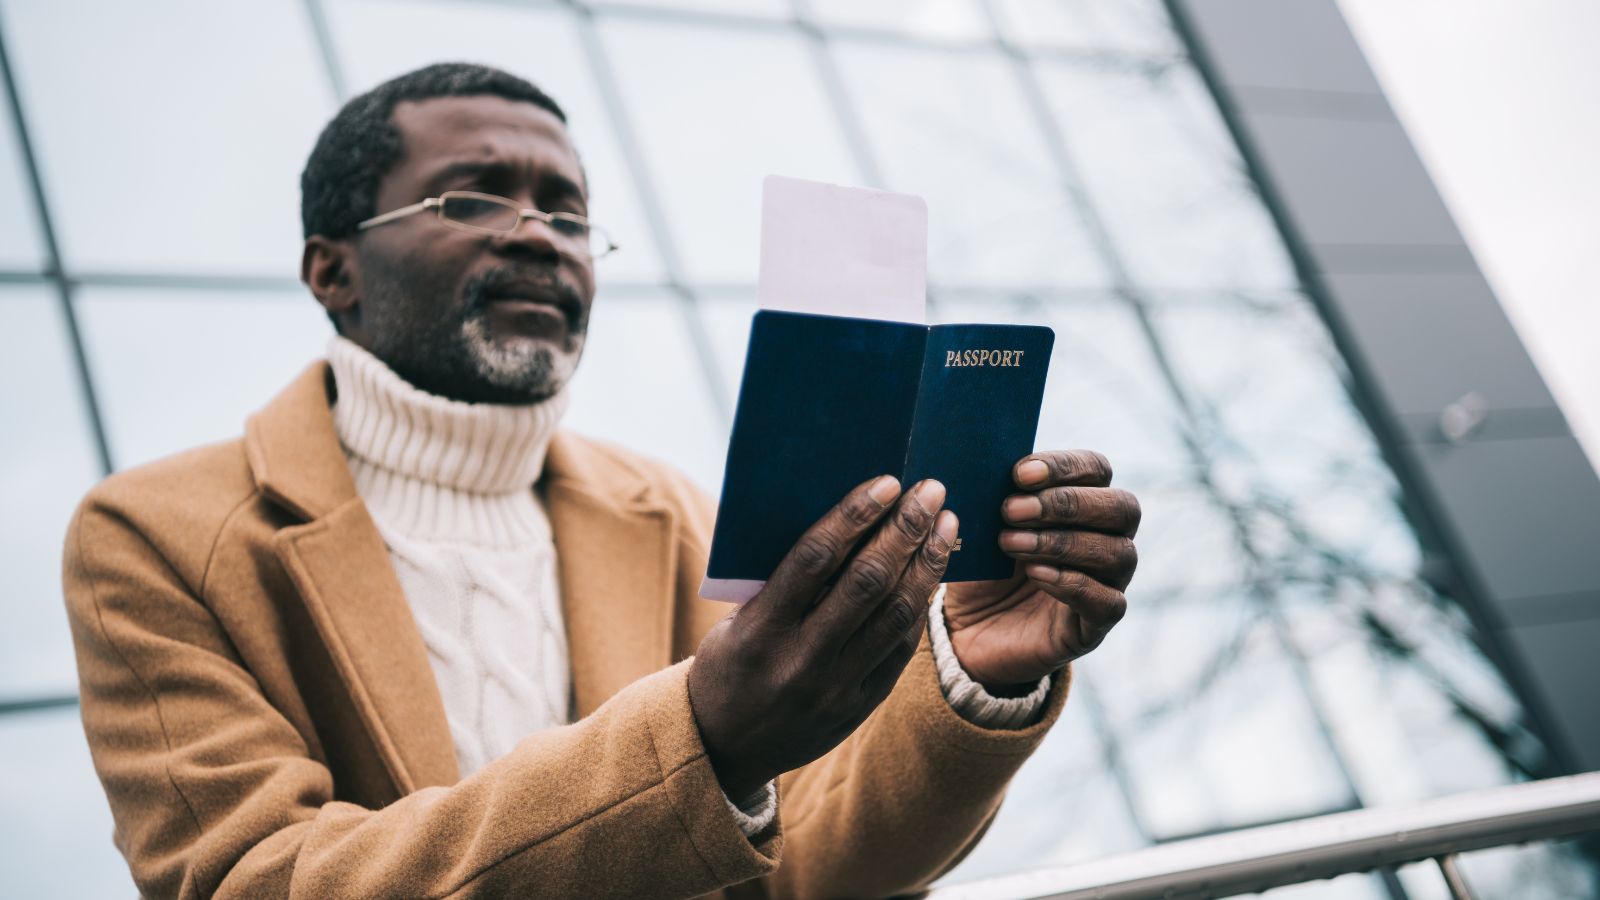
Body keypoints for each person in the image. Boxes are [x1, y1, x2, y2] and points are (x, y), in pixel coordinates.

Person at [62, 63, 1140, 899]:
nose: (539, 235)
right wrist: (698, 745)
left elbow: (809, 873)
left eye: (568, 213)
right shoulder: (154, 534)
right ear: (331, 269)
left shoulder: (665, 511)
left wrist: (973, 680)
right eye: (471, 200)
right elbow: (254, 883)